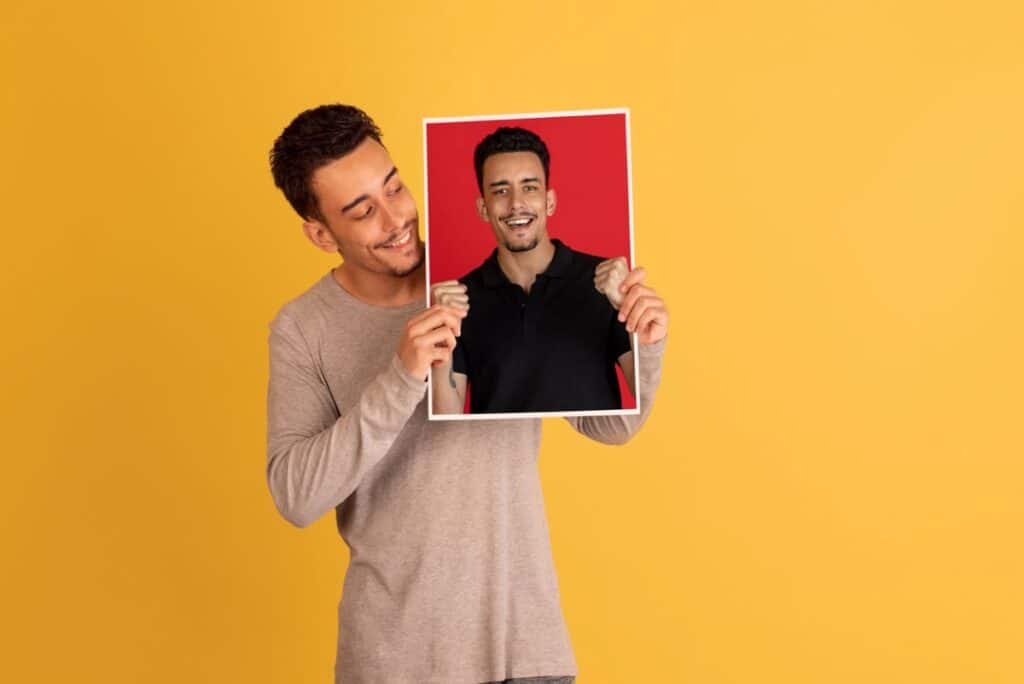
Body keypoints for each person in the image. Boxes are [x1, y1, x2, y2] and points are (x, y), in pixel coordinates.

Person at [266, 104, 668, 684]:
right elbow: (296, 496)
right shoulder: (303, 327)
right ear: (320, 233)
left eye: (395, 187)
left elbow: (612, 426)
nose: (396, 218)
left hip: (525, 647)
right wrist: (400, 377)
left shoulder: (493, 280)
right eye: (362, 211)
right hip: (393, 659)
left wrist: (642, 339)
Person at [431, 126, 660, 415]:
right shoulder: (459, 301)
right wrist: (439, 334)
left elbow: (643, 401)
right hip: (503, 462)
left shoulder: (606, 284)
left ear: (549, 201)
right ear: (483, 208)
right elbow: (447, 424)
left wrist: (636, 319)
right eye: (501, 191)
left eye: (529, 187)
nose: (516, 204)